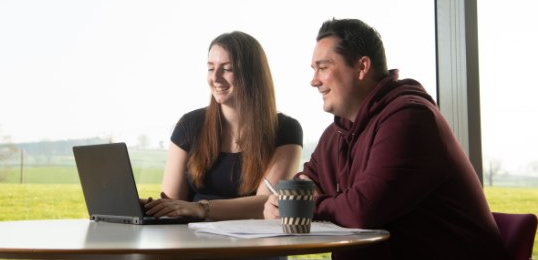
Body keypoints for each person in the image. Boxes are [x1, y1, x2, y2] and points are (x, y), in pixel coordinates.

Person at [264, 18, 507, 259]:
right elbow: (304, 185)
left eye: (323, 67)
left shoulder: (410, 118)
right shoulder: (335, 134)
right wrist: (280, 205)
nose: (314, 81)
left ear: (362, 67)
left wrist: (302, 207)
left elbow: (362, 210)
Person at [145, 31, 303, 221]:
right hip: (195, 243)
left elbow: (267, 203)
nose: (216, 78)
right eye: (211, 68)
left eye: (227, 69)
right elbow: (171, 204)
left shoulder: (286, 130)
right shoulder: (189, 125)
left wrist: (202, 208)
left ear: (252, 75)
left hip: (255, 245)